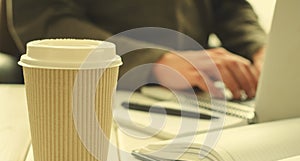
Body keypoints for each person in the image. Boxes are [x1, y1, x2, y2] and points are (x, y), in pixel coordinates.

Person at [8, 0, 266, 99]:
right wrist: (152, 61)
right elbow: (43, 15)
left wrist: (261, 50)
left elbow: (230, 7)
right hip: (96, 92)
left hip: (195, 91)